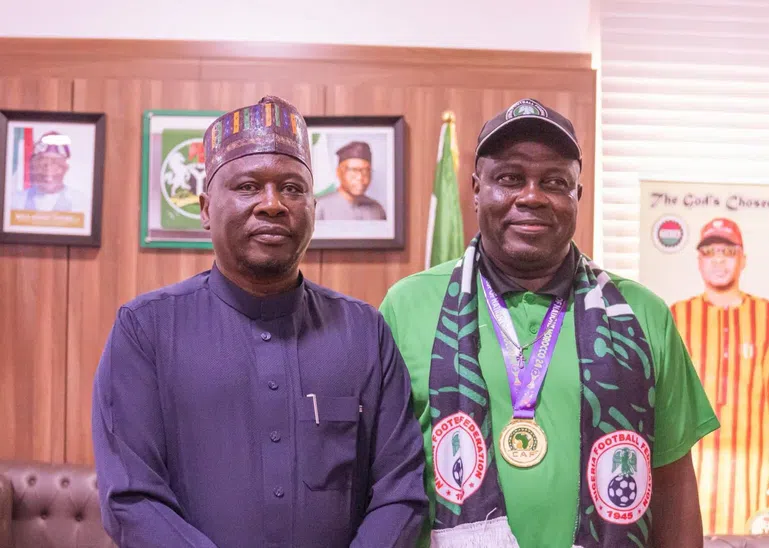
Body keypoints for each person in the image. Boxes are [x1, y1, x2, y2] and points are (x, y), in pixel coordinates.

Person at [380, 98, 719, 547]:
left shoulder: (641, 314)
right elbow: (381, 479)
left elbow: (674, 486)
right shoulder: (408, 306)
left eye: (555, 181)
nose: (532, 196)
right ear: (477, 188)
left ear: (577, 195)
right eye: (510, 178)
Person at [92, 96, 427, 548]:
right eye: (249, 186)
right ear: (206, 208)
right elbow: (132, 499)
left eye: (292, 188)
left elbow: (400, 494)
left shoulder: (364, 333)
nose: (273, 204)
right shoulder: (145, 331)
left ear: (313, 205)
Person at [670, 218, 769, 535]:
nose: (719, 260)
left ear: (743, 259)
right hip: (691, 474)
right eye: (710, 252)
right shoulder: (676, 316)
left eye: (727, 251)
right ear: (699, 262)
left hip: (754, 479)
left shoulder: (765, 317)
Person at [11, 131, 87, 213]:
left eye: (55, 163)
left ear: (65, 168)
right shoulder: (16, 201)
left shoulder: (80, 202)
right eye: (43, 163)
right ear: (34, 166)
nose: (48, 170)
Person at [315, 140, 386, 220]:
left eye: (366, 171)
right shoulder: (319, 208)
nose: (360, 177)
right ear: (338, 172)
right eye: (354, 170)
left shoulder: (377, 209)